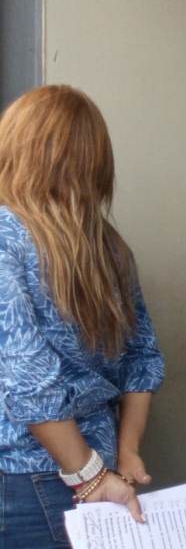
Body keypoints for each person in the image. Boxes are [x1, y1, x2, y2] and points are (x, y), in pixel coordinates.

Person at [0, 86, 165, 548]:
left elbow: (30, 384)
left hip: (28, 475)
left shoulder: (4, 237)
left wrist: (89, 478)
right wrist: (124, 452)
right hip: (100, 461)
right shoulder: (110, 245)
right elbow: (143, 359)